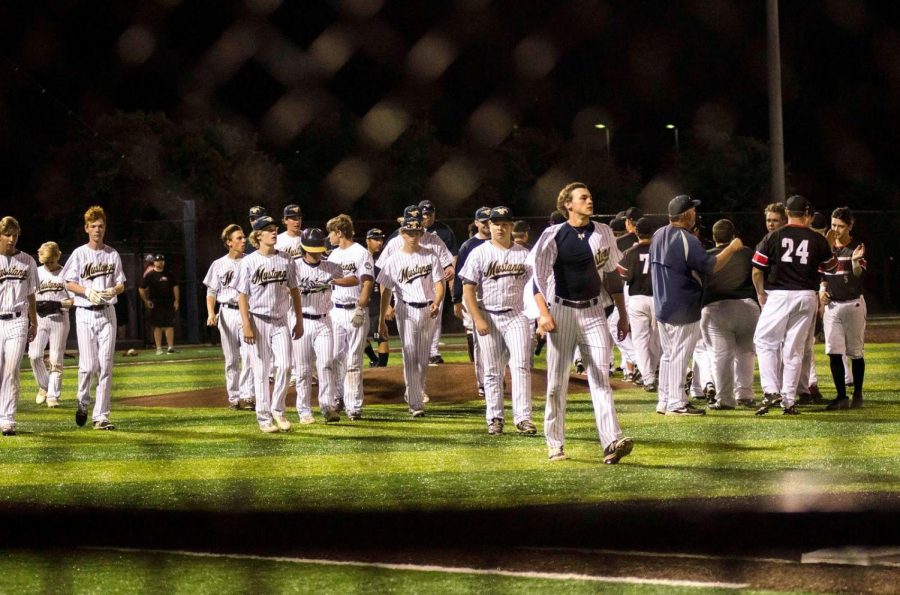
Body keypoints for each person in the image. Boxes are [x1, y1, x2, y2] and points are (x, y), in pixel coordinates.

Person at [530, 182, 633, 464]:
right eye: (583, 198)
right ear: (568, 205)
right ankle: (555, 443)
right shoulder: (553, 235)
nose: (590, 201)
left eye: (590, 196)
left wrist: (622, 314)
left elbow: (611, 275)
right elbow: (536, 282)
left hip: (594, 312)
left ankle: (611, 442)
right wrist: (543, 314)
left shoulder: (603, 232)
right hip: (562, 312)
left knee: (601, 379)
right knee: (556, 384)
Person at [650, 195, 744, 416]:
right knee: (680, 355)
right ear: (688, 214)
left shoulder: (658, 234)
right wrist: (731, 248)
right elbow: (711, 266)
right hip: (682, 305)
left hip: (662, 304)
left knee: (668, 355)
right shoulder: (686, 239)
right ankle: (676, 403)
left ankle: (664, 400)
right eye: (694, 210)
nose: (696, 214)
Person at [751, 195, 838, 415]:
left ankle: (771, 390)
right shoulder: (817, 239)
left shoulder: (773, 236)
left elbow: (756, 269)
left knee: (764, 340)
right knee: (794, 349)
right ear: (807, 214)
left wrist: (761, 292)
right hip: (807, 296)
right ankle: (788, 400)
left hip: (779, 295)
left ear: (787, 214)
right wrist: (828, 244)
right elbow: (832, 267)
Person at [459, 206, 536, 435]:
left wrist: (537, 314)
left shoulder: (524, 254)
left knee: (521, 365)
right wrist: (477, 318)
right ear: (488, 226)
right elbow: (468, 289)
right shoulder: (479, 253)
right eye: (495, 223)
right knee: (492, 370)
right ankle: (495, 417)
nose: (499, 228)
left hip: (517, 315)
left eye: (504, 224)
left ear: (511, 226)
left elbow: (536, 287)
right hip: (488, 314)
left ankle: (523, 418)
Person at [236, 215, 303, 433]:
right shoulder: (248, 261)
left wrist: (299, 319)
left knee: (285, 366)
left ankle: (278, 409)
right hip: (257, 320)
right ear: (257, 235)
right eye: (268, 229)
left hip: (281, 320)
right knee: (261, 371)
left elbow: (294, 290)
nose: (274, 232)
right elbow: (242, 296)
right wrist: (246, 324)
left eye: (275, 229)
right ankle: (264, 418)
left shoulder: (286, 259)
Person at [61, 205, 126, 430]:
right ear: (86, 228)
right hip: (85, 313)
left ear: (104, 228)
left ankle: (101, 417)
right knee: (88, 366)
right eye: (93, 226)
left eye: (101, 226)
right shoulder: (80, 253)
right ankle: (82, 402)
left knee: (106, 366)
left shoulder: (112, 254)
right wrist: (86, 291)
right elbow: (67, 282)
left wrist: (114, 290)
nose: (97, 230)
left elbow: (120, 283)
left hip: (107, 312)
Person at [377, 209, 445, 417]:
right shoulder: (393, 259)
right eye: (409, 232)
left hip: (427, 308)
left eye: (417, 232)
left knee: (423, 357)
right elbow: (385, 289)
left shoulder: (430, 255)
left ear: (421, 233)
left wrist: (437, 300)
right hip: (405, 308)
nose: (413, 236)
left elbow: (439, 282)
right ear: (402, 233)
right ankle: (416, 404)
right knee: (409, 353)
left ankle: (416, 390)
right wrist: (383, 317)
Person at [293, 228, 357, 423]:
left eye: (319, 248)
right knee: (303, 370)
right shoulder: (293, 266)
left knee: (326, 364)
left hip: (324, 321)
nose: (317, 252)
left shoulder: (332, 266)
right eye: (313, 249)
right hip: (301, 319)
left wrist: (335, 280)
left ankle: (327, 406)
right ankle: (304, 410)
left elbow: (355, 278)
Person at [699, 219, 759, 409]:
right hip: (747, 307)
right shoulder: (747, 252)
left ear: (714, 237)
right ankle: (745, 394)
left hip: (717, 309)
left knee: (721, 356)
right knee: (746, 353)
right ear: (733, 236)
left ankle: (725, 399)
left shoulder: (706, 256)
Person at [203, 224, 256, 411]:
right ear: (229, 243)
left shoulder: (251, 261)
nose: (243, 241)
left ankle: (248, 395)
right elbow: (211, 291)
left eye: (243, 237)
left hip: (247, 313)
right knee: (231, 359)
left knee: (249, 356)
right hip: (226, 312)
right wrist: (211, 313)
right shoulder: (218, 264)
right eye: (239, 238)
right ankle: (234, 397)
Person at [326, 214, 373, 420]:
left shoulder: (361, 253)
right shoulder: (332, 255)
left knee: (353, 360)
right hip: (335, 310)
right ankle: (338, 397)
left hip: (355, 309)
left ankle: (354, 406)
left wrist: (361, 308)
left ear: (339, 232)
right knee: (335, 356)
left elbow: (366, 281)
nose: (329, 237)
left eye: (331, 232)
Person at [821, 207, 867, 410]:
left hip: (853, 304)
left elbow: (858, 274)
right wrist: (822, 289)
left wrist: (856, 262)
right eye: (833, 225)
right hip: (832, 305)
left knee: (855, 352)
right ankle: (841, 396)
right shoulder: (826, 247)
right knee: (833, 351)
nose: (836, 230)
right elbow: (822, 273)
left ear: (850, 225)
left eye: (840, 226)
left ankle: (857, 392)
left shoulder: (856, 247)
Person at [0, 216, 38, 436]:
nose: (11, 239)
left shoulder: (27, 260)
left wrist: (34, 321)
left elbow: (31, 294)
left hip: (18, 320)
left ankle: (7, 418)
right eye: (7, 234)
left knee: (12, 369)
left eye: (15, 235)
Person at [452, 206, 492, 397]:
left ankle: (495, 376)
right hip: (474, 297)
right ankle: (483, 382)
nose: (486, 224)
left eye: (488, 221)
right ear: (476, 223)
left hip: (497, 297)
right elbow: (461, 275)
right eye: (483, 221)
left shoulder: (500, 242)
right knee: (479, 342)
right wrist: (456, 299)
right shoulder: (468, 246)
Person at [616, 217, 659, 393]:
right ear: (653, 233)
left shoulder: (629, 252)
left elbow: (623, 275)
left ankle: (648, 378)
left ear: (637, 233)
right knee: (656, 340)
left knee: (640, 340)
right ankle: (653, 373)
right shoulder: (660, 251)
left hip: (637, 299)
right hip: (657, 299)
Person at [30, 241, 73, 409]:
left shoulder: (66, 274)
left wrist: (58, 304)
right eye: (45, 262)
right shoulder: (36, 272)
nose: (48, 265)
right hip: (39, 319)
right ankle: (44, 385)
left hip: (59, 319)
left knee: (56, 359)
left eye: (51, 261)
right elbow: (29, 295)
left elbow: (74, 300)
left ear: (58, 256)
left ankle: (53, 395)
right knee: (34, 356)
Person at [418, 199, 458, 365]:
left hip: (436, 280)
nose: (427, 217)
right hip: (415, 279)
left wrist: (452, 275)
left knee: (435, 315)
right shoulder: (408, 230)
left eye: (429, 214)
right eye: (424, 214)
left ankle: (433, 351)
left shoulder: (444, 231)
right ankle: (417, 350)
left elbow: (453, 255)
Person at [139, 254, 179, 355]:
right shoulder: (150, 274)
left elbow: (175, 287)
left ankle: (170, 347)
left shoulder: (169, 274)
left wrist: (176, 300)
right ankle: (159, 348)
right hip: (156, 303)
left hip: (169, 302)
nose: (160, 262)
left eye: (162, 260)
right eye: (158, 261)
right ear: (155, 262)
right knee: (157, 326)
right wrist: (146, 300)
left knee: (169, 325)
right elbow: (141, 288)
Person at [363, 228, 389, 368]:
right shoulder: (361, 256)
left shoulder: (382, 259)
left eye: (381, 239)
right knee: (362, 336)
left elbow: (384, 283)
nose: (380, 242)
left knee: (381, 335)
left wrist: (388, 305)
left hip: (378, 301)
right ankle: (374, 359)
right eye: (376, 239)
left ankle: (382, 367)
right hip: (364, 301)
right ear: (368, 241)